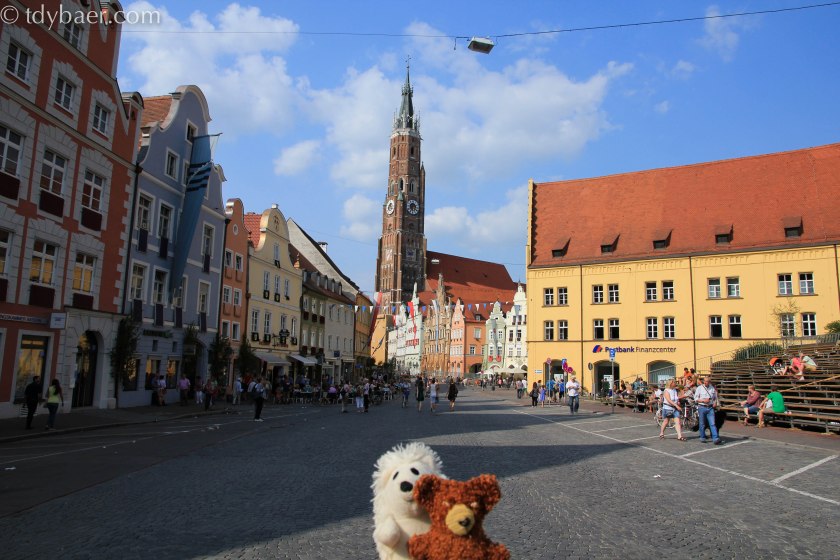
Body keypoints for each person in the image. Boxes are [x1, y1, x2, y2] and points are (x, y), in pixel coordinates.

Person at [694, 376, 722, 444]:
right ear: (704, 381)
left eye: (708, 381)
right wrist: (703, 401)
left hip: (710, 408)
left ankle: (715, 438)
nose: (706, 383)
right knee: (702, 423)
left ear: (709, 382)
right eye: (705, 381)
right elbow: (696, 398)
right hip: (702, 407)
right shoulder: (699, 388)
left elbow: (715, 397)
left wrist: (715, 402)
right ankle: (702, 436)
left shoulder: (712, 388)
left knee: (712, 423)